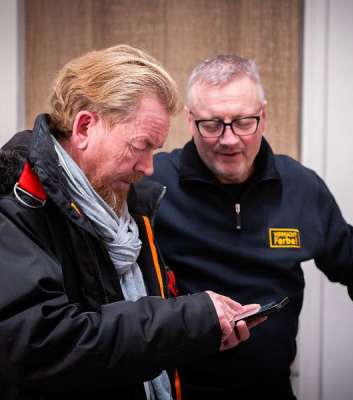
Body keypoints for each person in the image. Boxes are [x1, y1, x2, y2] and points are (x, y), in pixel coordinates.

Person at [0, 46, 263, 400]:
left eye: (155, 150)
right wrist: (187, 319)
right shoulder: (14, 205)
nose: (149, 167)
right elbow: (41, 345)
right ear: (84, 127)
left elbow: (130, 333)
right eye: (141, 146)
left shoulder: (126, 205)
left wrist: (200, 330)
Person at [146, 54, 353, 399]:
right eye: (212, 124)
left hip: (273, 388)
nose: (229, 139)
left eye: (243, 122)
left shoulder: (300, 187)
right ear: (191, 121)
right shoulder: (154, 185)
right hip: (180, 390)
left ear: (262, 116)